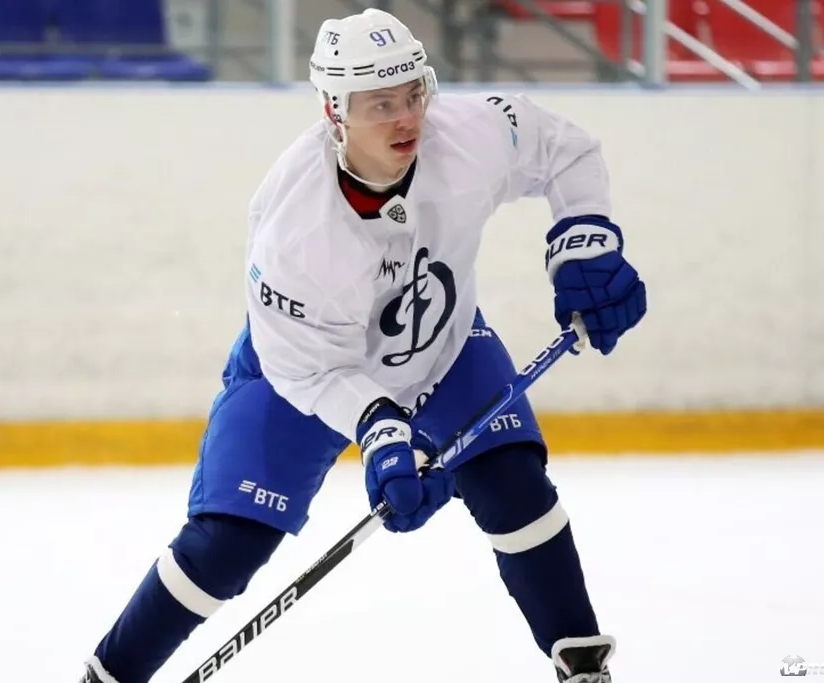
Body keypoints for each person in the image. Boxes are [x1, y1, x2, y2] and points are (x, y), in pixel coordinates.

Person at [80, 8, 646, 683]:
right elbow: (308, 369)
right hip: (302, 371)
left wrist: (584, 241)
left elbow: (564, 149)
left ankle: (582, 664)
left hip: (441, 345)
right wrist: (380, 429)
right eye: (381, 105)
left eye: (414, 93)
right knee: (225, 545)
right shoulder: (296, 229)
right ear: (334, 111)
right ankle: (108, 675)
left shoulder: (468, 133)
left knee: (513, 484)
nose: (407, 118)